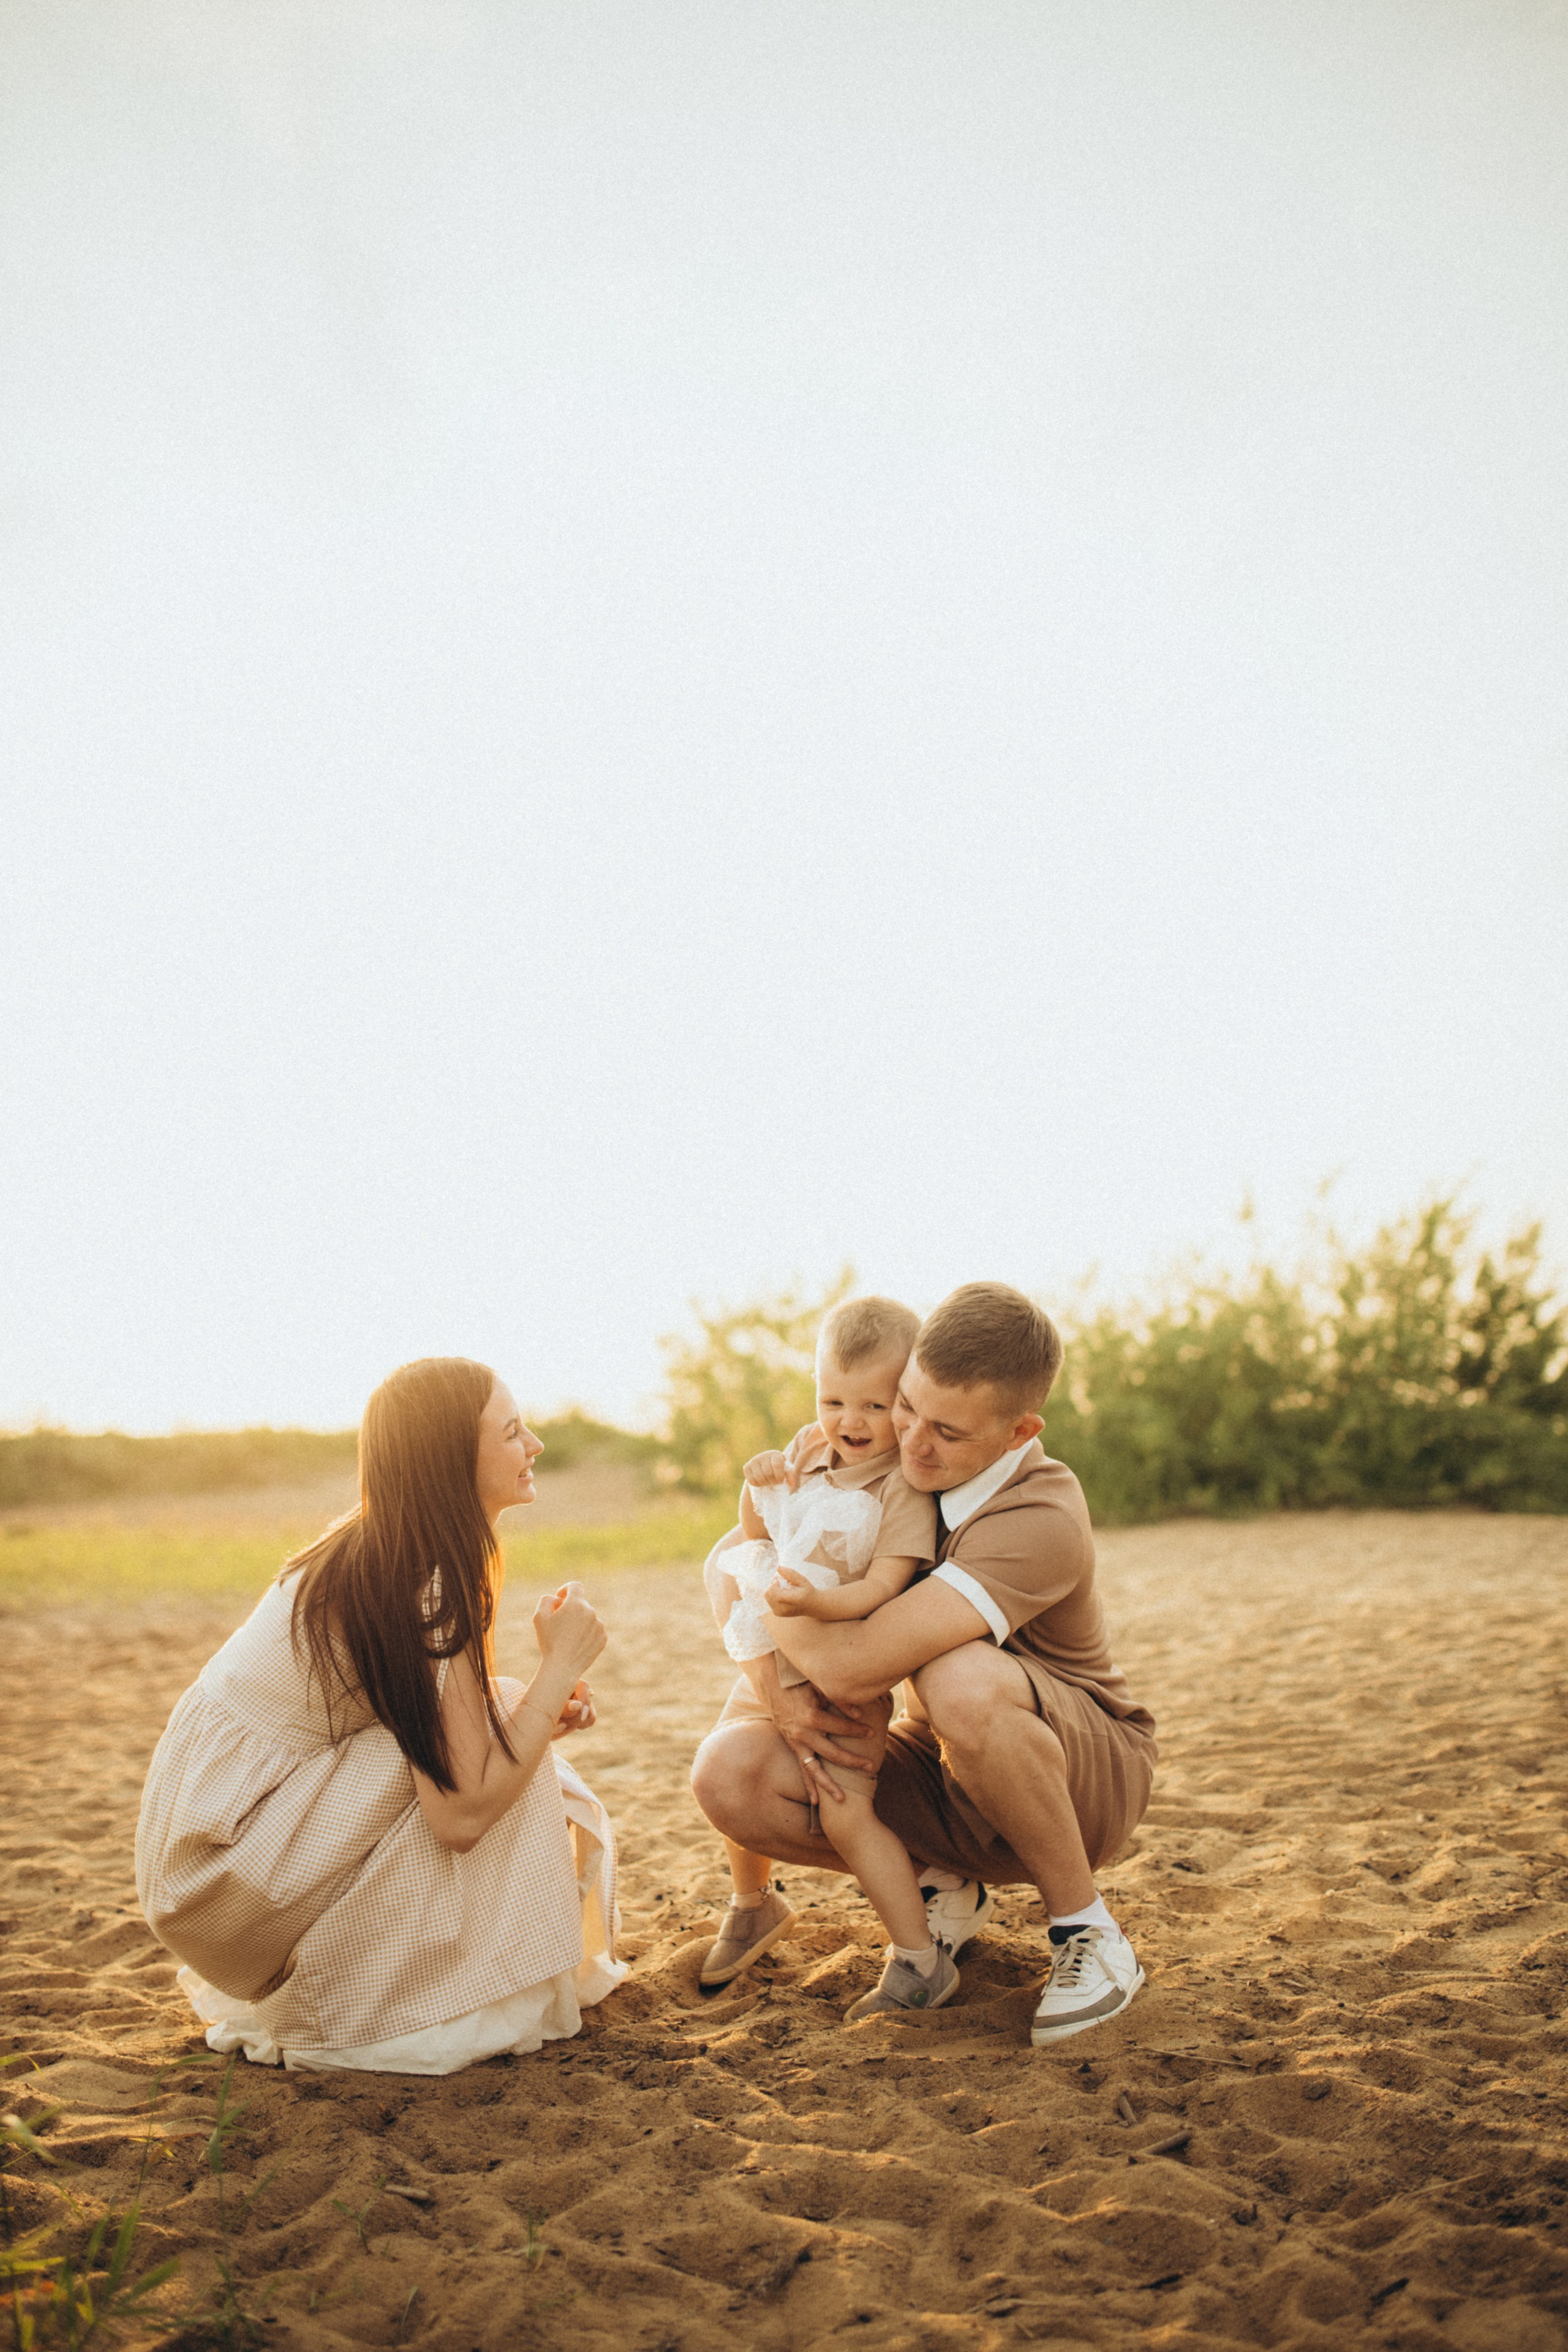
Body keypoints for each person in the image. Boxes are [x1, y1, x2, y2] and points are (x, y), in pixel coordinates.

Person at [690, 1283, 1156, 2045]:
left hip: (1081, 1775)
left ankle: (1088, 1934)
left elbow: (847, 1663)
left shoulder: (1037, 1514)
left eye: (947, 1430)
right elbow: (725, 1557)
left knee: (957, 1677)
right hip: (947, 1764)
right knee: (729, 1772)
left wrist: (760, 1588)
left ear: (1018, 1432)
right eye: (904, 1406)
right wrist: (776, 1699)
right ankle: (942, 1889)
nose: (913, 1442)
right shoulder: (883, 1469)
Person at [135, 1357, 623, 2073]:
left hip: (205, 1858)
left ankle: (423, 1974)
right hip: (223, 1871)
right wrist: (559, 1669)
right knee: (496, 1735)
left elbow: (456, 1727)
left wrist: (529, 1708)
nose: (536, 1446)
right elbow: (459, 1817)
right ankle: (417, 1997)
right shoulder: (425, 1577)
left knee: (502, 1717)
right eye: (514, 1431)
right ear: (452, 1457)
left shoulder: (390, 1543)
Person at [698, 1296, 949, 2013]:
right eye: (832, 1399)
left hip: (839, 1676)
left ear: (905, 1400)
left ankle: (918, 1959)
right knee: (721, 1759)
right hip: (770, 1651)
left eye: (874, 1404)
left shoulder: (903, 1487)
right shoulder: (812, 1451)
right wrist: (763, 1481)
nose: (850, 1421)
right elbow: (757, 1535)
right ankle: (753, 1902)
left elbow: (881, 1586)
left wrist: (811, 1608)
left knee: (845, 1812)